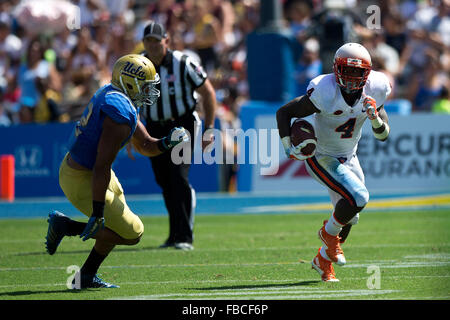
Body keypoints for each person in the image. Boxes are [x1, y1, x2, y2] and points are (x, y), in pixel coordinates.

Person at [44, 54, 189, 289]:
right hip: (83, 177)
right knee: (133, 234)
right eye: (146, 85)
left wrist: (168, 142)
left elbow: (145, 145)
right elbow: (102, 164)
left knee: (117, 223)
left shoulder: (116, 96)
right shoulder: (118, 114)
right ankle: (66, 226)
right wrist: (97, 212)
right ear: (130, 82)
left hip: (90, 171)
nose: (150, 91)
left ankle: (85, 277)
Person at [276, 43, 391, 282]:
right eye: (346, 71)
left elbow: (383, 135)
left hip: (349, 156)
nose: (351, 78)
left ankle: (322, 261)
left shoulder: (377, 88)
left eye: (357, 72)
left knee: (351, 214)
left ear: (367, 73)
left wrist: (374, 118)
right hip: (321, 155)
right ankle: (328, 235)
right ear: (336, 69)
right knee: (358, 197)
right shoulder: (324, 90)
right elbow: (284, 113)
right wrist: (289, 148)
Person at [134, 21, 216, 251]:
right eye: (148, 41)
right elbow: (130, 101)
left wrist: (209, 128)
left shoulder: (183, 63)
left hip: (182, 124)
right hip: (153, 128)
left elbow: (208, 92)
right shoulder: (137, 65)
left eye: (156, 41)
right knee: (164, 180)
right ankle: (173, 235)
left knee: (178, 177)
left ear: (166, 41)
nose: (152, 46)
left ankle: (185, 236)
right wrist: (132, 132)